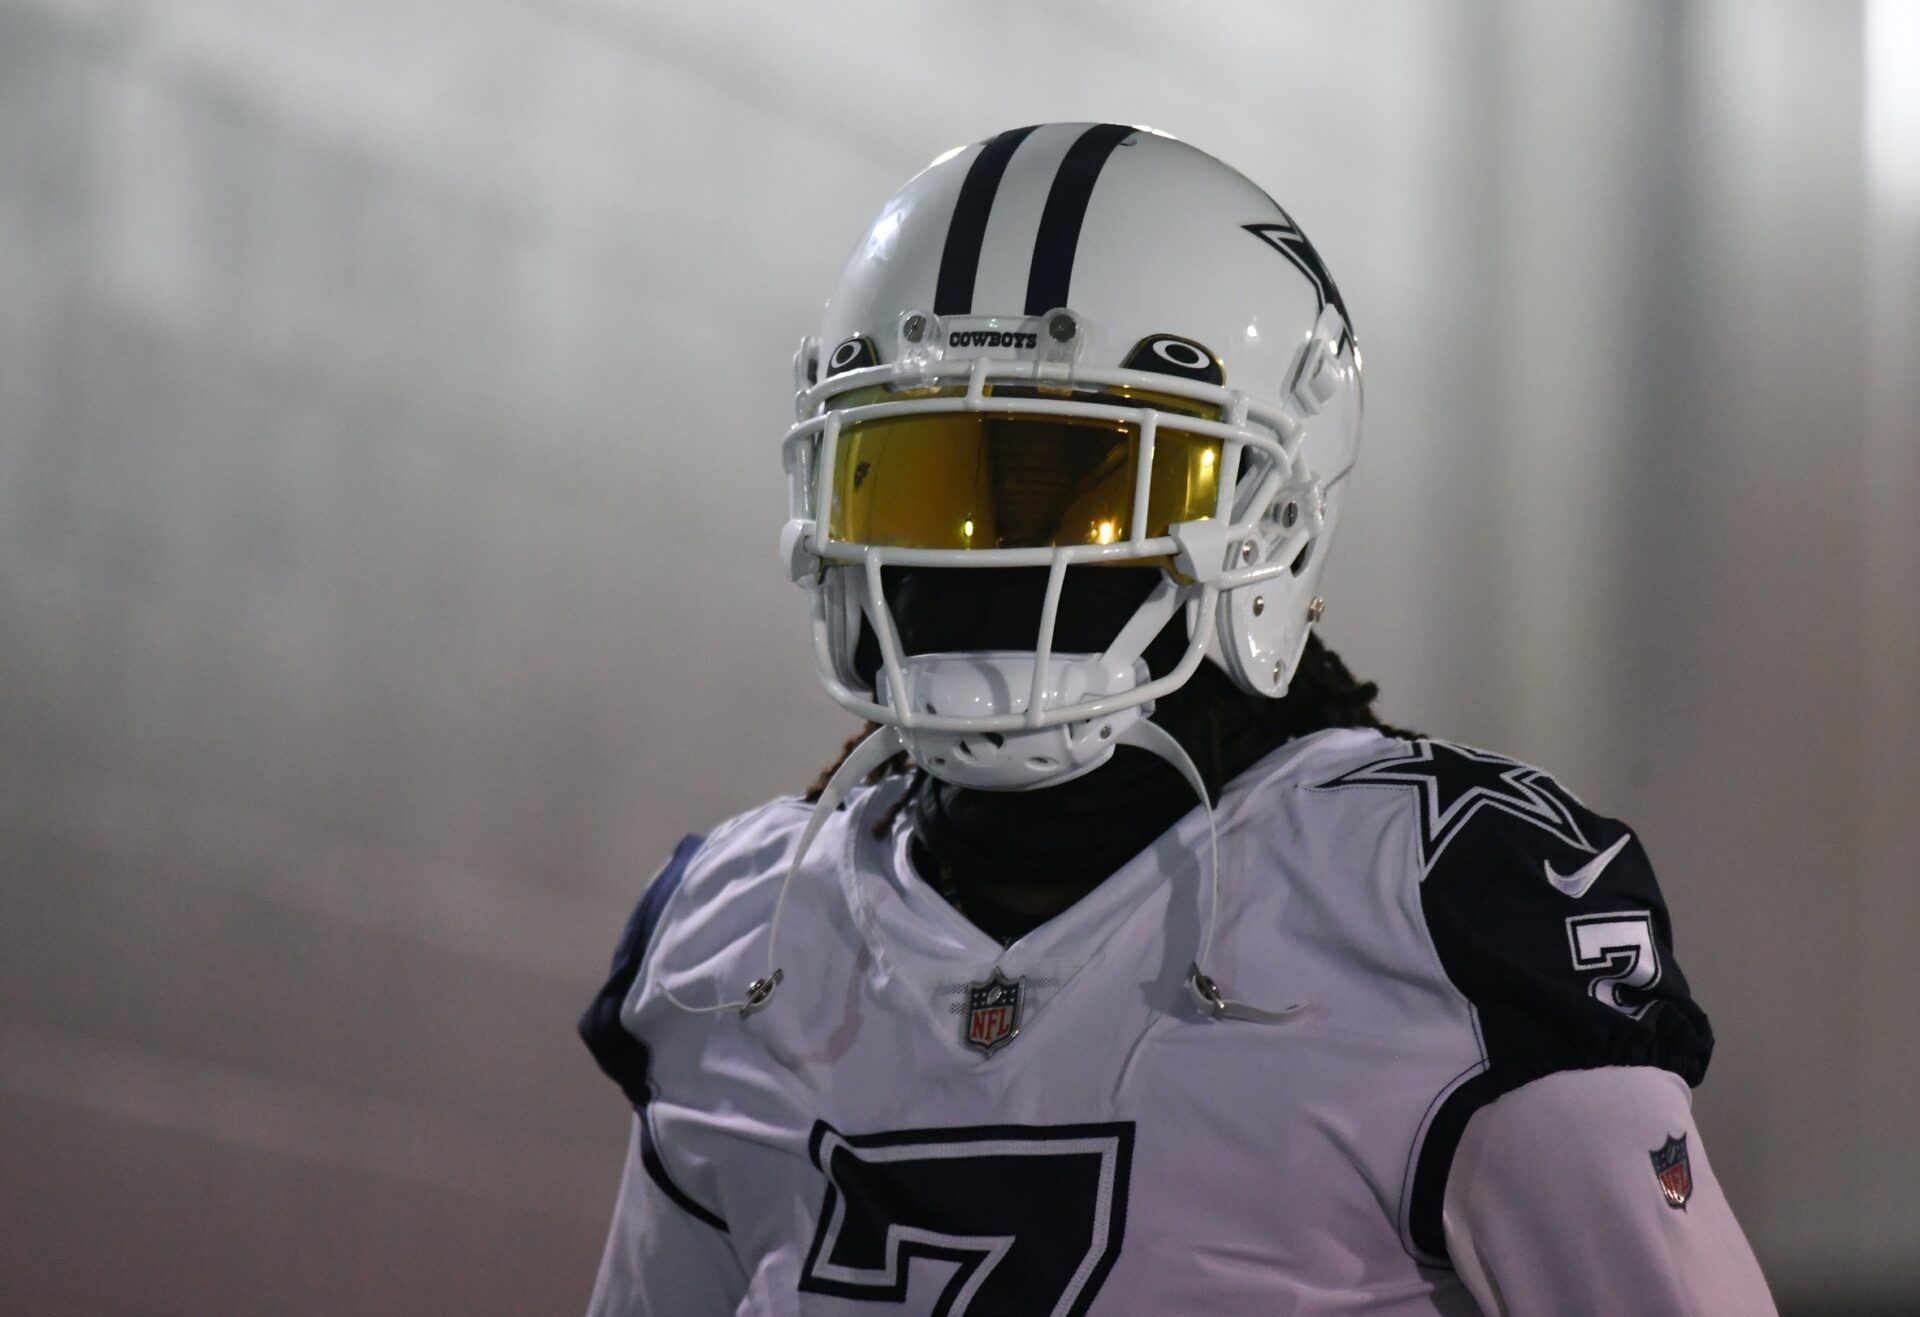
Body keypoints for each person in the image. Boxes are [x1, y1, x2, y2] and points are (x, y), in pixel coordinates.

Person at [579, 124, 1776, 1315]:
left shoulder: (1439, 904)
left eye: (1090, 487)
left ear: (1272, 513)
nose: (992, 558)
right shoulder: (737, 944)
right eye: (927, 481)